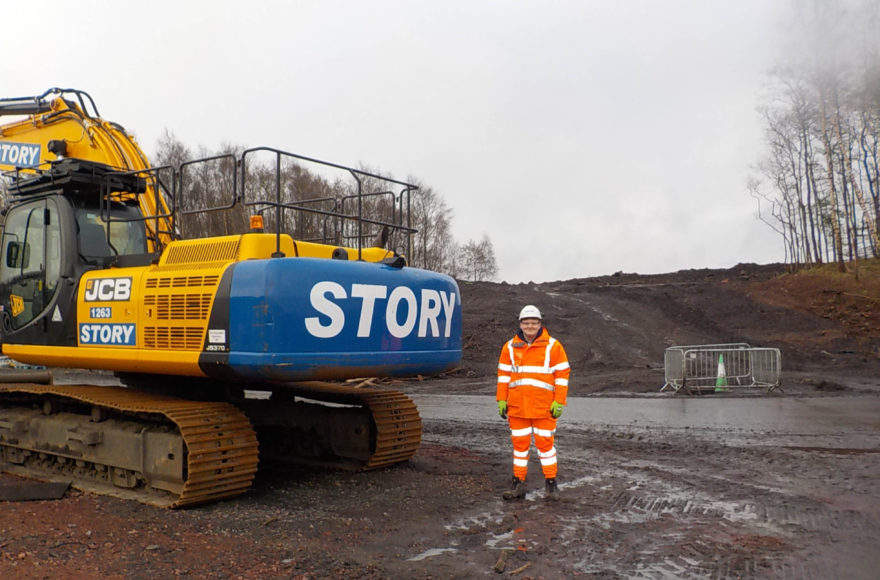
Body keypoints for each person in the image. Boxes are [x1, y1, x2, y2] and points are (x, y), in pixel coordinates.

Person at [496, 304, 570, 501]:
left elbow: (562, 375)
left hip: (543, 408)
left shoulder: (554, 346)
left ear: (540, 324)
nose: (530, 326)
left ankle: (551, 485)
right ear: (520, 324)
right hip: (517, 408)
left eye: (534, 322)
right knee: (519, 447)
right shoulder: (509, 347)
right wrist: (501, 399)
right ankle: (517, 485)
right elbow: (503, 375)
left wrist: (559, 401)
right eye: (526, 322)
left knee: (545, 446)